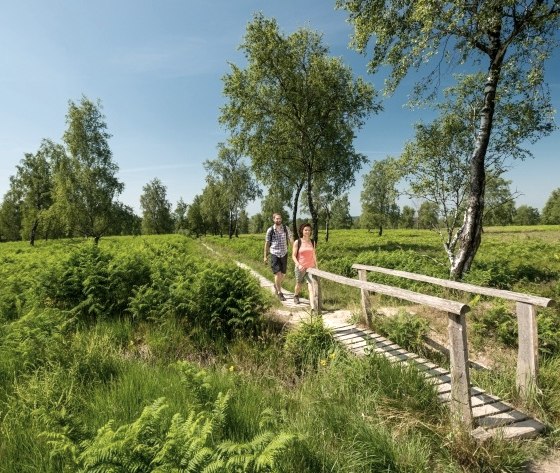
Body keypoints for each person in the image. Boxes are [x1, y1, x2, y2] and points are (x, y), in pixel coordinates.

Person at [263, 213, 293, 301]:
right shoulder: (270, 230)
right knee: (278, 273)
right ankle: (280, 292)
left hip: (284, 253)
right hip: (274, 253)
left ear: (281, 219)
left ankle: (276, 285)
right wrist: (265, 256)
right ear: (273, 219)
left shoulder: (286, 228)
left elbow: (291, 239)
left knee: (283, 274)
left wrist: (295, 250)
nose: (278, 220)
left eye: (279, 219)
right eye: (276, 219)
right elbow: (267, 244)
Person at [292, 222, 317, 306]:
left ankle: (313, 305)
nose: (307, 232)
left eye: (309, 230)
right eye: (305, 230)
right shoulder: (297, 242)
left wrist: (316, 267)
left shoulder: (313, 242)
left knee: (311, 285)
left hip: (311, 268)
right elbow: (293, 256)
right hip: (300, 267)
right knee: (299, 284)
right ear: (302, 231)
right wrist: (298, 265)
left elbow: (314, 255)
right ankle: (296, 295)